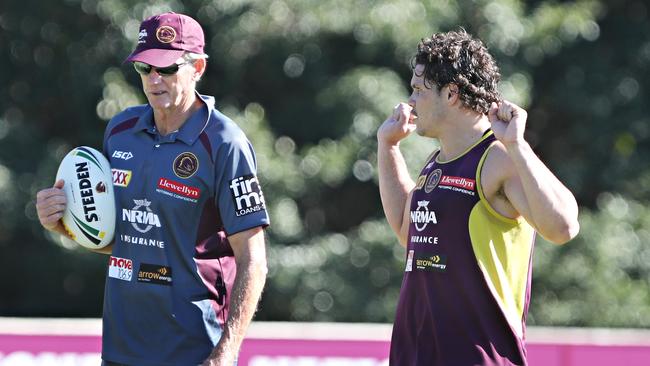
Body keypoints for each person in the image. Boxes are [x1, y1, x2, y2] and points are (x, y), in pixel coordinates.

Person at [35, 12, 269, 366]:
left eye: (168, 68)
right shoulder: (121, 129)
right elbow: (126, 240)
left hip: (195, 351)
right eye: (145, 68)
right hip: (120, 350)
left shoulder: (224, 143)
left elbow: (254, 260)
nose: (154, 79)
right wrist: (65, 224)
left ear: (198, 68)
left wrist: (227, 349)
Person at [377, 30, 580, 365]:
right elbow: (406, 231)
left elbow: (564, 227)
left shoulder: (497, 157)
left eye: (418, 89)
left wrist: (517, 145)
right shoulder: (434, 164)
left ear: (452, 93)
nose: (410, 100)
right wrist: (388, 147)